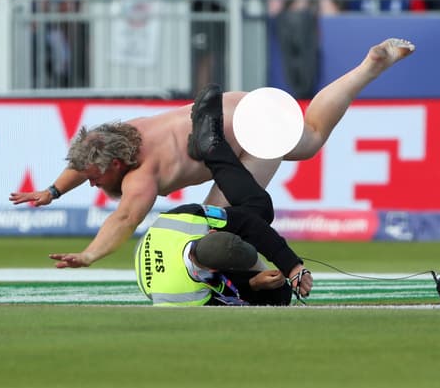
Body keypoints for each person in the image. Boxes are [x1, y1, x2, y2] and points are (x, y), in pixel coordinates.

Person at [18, 38, 416, 269]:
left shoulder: (141, 175)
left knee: (222, 223)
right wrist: (52, 191)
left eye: (93, 177)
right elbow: (85, 159)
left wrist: (89, 255)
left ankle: (263, 278)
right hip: (237, 105)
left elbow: (123, 219)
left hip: (249, 132)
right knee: (308, 136)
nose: (90, 181)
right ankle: (367, 67)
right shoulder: (123, 133)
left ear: (117, 166)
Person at [126, 84, 313, 306]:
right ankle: (213, 149)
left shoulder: (188, 219)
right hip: (172, 271)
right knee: (259, 207)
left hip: (170, 245)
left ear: (212, 231)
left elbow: (250, 225)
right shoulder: (188, 295)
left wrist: (292, 266)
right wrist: (252, 283)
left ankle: (212, 148)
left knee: (259, 209)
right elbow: (261, 298)